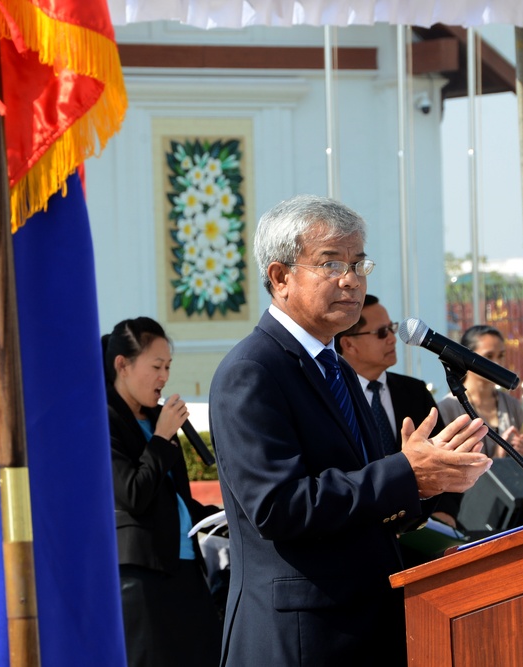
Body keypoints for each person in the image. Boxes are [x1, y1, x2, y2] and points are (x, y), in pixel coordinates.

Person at [208, 195, 492, 665]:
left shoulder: (334, 366)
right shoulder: (253, 371)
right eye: (331, 263)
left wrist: (427, 482)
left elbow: (363, 503)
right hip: (301, 635)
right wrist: (405, 472)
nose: (351, 279)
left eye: (359, 264)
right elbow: (278, 506)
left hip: (364, 623)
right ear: (280, 277)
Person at [103, 317, 222, 667]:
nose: (164, 377)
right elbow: (133, 495)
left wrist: (220, 516)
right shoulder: (104, 419)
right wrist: (160, 438)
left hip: (186, 568)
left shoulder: (157, 419)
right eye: (156, 366)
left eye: (168, 366)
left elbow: (175, 501)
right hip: (142, 575)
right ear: (122, 365)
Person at [334, 294, 461, 529]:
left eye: (391, 329)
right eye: (381, 332)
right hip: (359, 531)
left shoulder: (414, 391)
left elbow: (447, 457)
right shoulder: (333, 397)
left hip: (422, 527)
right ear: (349, 344)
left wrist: (445, 513)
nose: (393, 339)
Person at [436, 324, 523, 459]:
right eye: (489, 356)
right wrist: (498, 455)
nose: (497, 363)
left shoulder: (512, 404)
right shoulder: (447, 407)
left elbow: (522, 455)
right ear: (467, 358)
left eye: (501, 356)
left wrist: (521, 449)